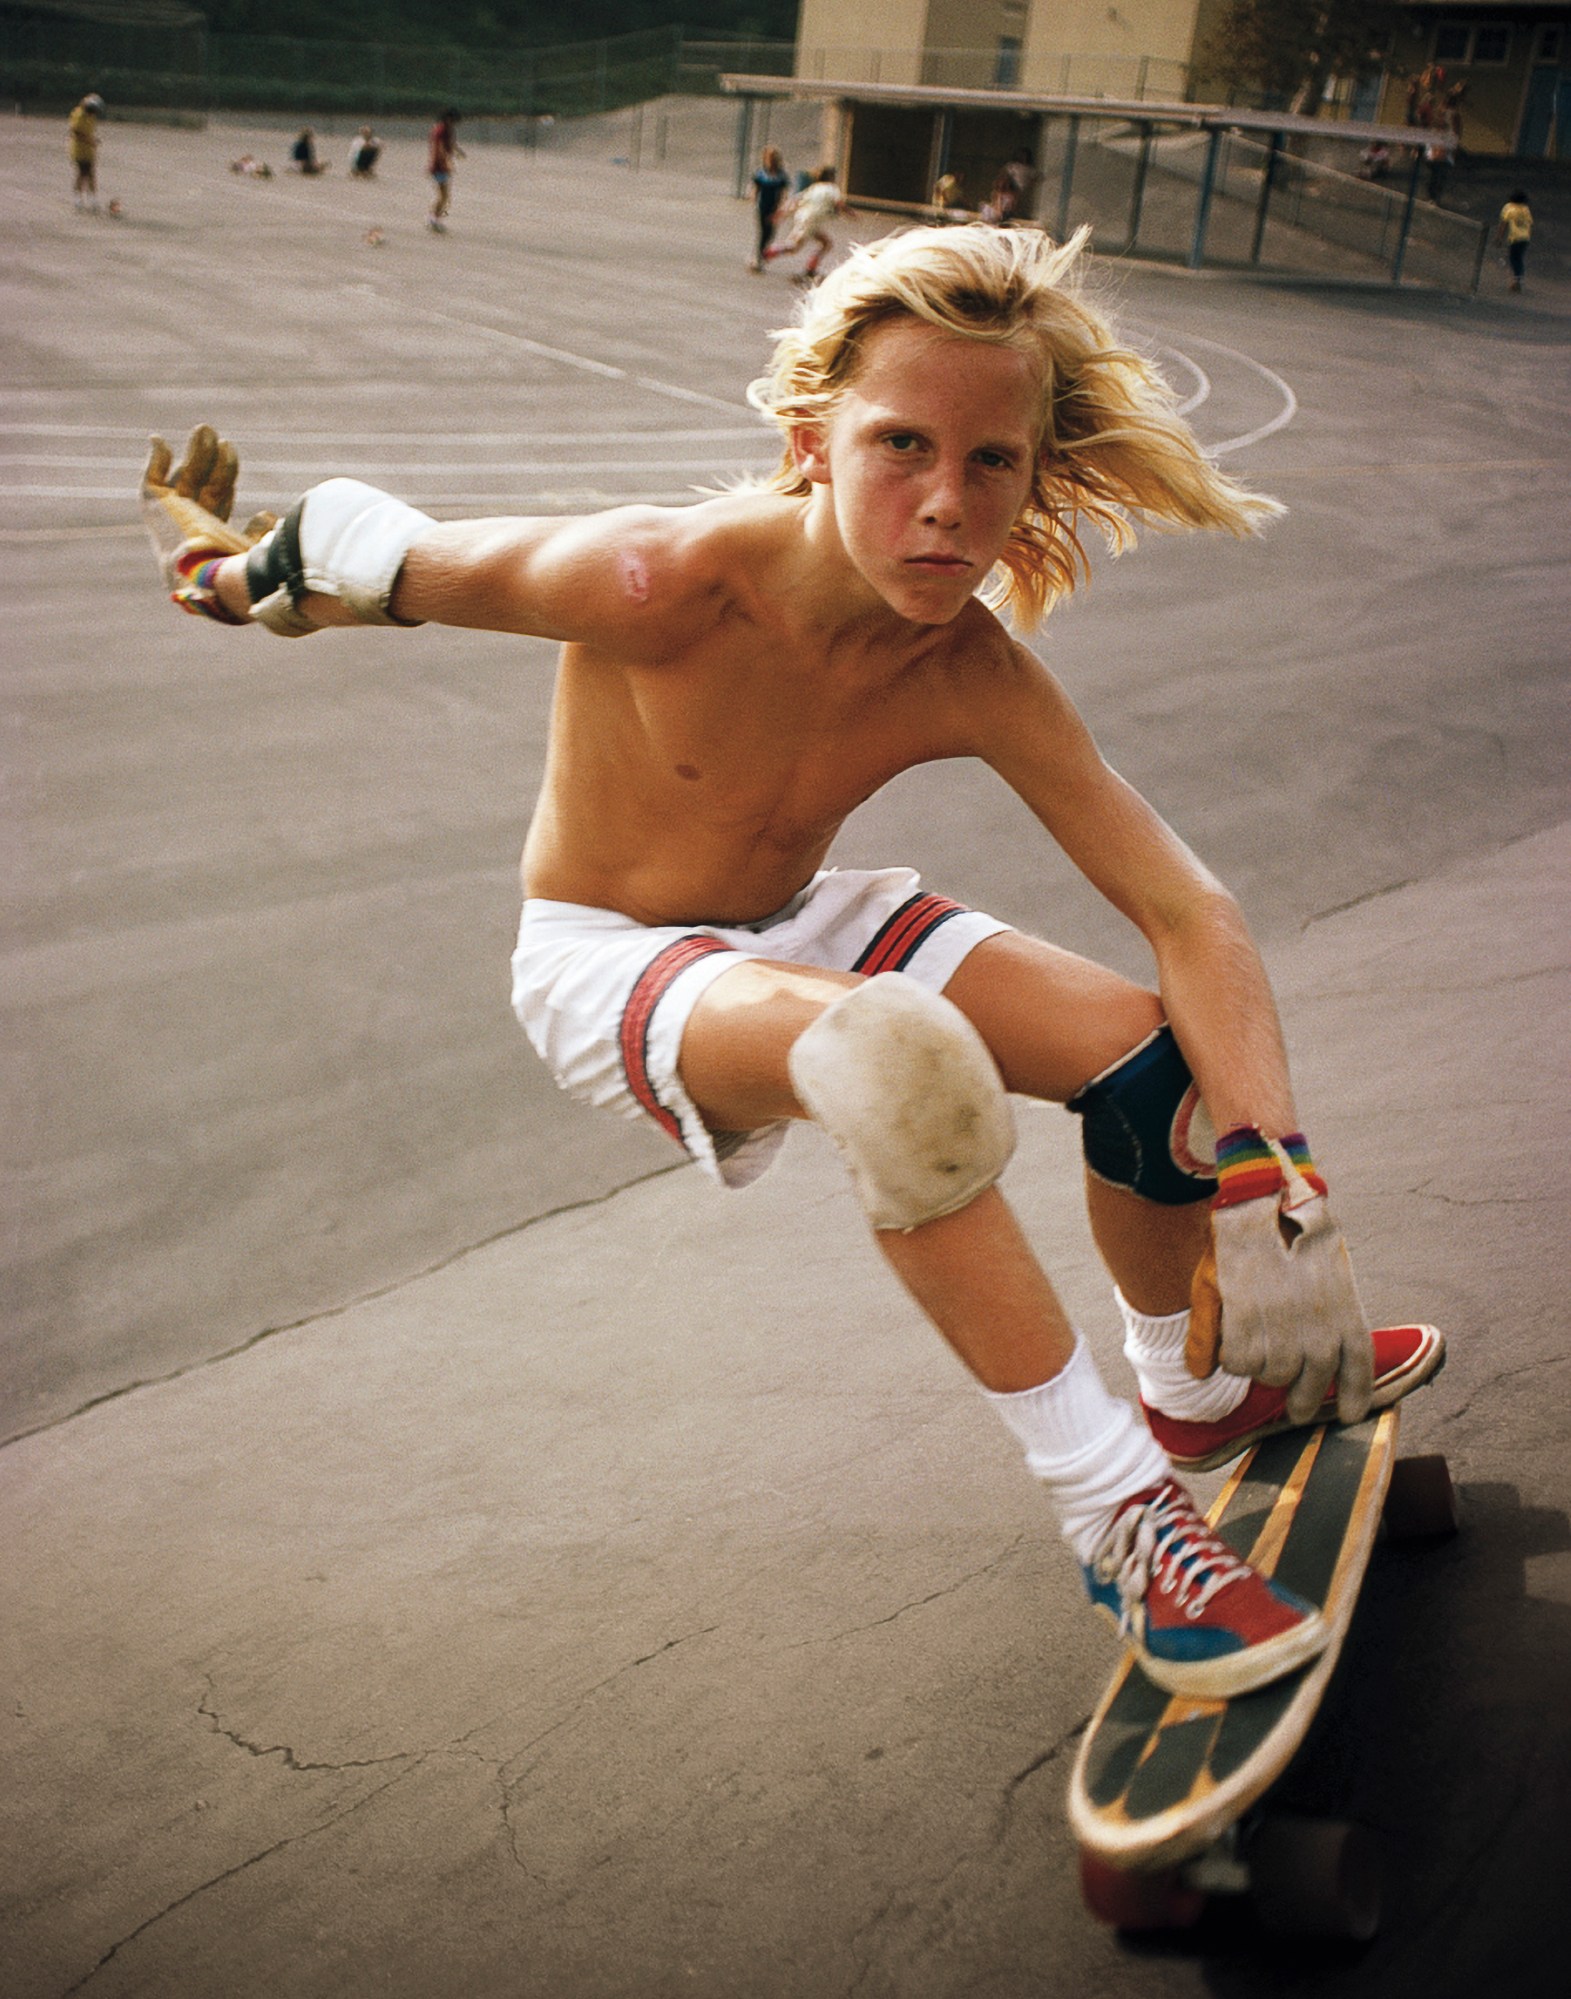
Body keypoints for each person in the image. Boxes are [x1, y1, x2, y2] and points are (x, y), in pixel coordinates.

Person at [139, 226, 1445, 1702]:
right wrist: (214, 567)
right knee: (896, 1062)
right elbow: (366, 556)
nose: (945, 508)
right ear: (809, 440)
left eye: (990, 461)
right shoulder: (656, 579)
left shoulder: (967, 665)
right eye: (900, 446)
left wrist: (1272, 1156)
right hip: (608, 955)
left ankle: (1194, 1385)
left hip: (802, 917)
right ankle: (1116, 1512)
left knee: (1155, 1064)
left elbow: (1186, 908)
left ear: (1030, 470)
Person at [765, 164, 852, 284]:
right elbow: (839, 203)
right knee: (794, 247)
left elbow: (794, 200)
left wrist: (780, 214)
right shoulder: (832, 188)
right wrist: (850, 213)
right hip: (810, 220)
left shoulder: (814, 187)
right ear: (831, 177)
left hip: (803, 217)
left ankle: (810, 270)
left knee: (826, 243)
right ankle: (771, 251)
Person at [748, 144, 790, 274]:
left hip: (775, 208)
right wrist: (753, 198)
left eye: (773, 158)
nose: (771, 161)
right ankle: (758, 259)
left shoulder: (781, 175)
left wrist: (782, 206)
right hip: (763, 206)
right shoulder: (761, 173)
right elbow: (755, 188)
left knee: (771, 234)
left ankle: (762, 255)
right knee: (763, 233)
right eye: (768, 158)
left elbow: (784, 191)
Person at [428, 109, 464, 232]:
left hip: (440, 166)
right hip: (438, 167)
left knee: (444, 196)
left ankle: (434, 219)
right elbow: (440, 148)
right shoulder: (440, 130)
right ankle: (433, 219)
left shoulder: (447, 129)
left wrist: (458, 151)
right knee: (443, 196)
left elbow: (450, 143)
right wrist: (447, 162)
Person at [68, 92, 103, 211]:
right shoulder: (79, 115)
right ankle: (78, 199)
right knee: (82, 174)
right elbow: (75, 134)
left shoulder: (90, 116)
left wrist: (92, 140)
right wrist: (90, 141)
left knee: (90, 173)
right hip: (79, 149)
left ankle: (92, 199)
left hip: (88, 150)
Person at [1497, 188, 1532, 292]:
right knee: (1519, 258)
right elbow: (1529, 223)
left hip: (1515, 238)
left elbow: (1503, 223)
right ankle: (1518, 279)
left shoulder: (1509, 207)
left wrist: (1499, 237)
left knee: (1513, 258)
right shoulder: (1525, 209)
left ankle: (1517, 280)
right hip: (1525, 238)